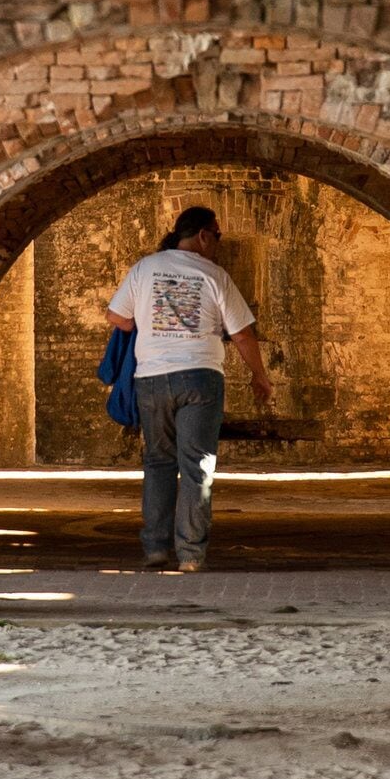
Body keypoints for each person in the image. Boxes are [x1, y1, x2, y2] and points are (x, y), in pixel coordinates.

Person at [103, 204, 269, 572]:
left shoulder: (145, 268)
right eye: (218, 236)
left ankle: (155, 549)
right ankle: (191, 554)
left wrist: (148, 323)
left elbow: (117, 317)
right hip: (200, 377)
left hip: (151, 379)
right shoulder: (215, 275)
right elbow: (241, 334)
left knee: (158, 462)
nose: (218, 244)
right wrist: (260, 376)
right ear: (203, 235)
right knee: (198, 466)